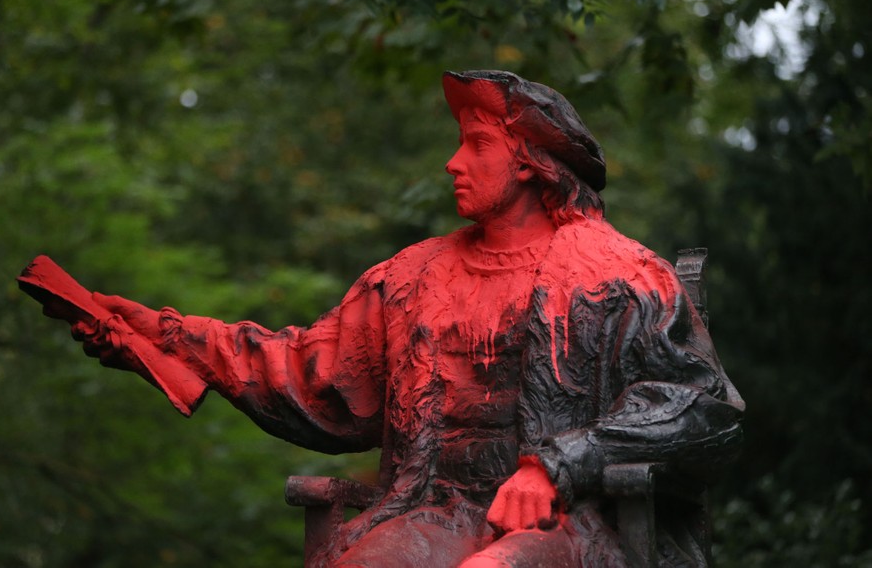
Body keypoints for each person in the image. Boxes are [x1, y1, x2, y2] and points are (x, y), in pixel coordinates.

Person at [65, 70, 744, 567]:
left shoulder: (616, 274)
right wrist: (162, 338)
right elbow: (311, 373)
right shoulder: (413, 279)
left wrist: (557, 467)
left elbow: (703, 406)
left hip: (576, 525)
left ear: (532, 162)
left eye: (476, 144)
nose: (453, 162)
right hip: (433, 517)